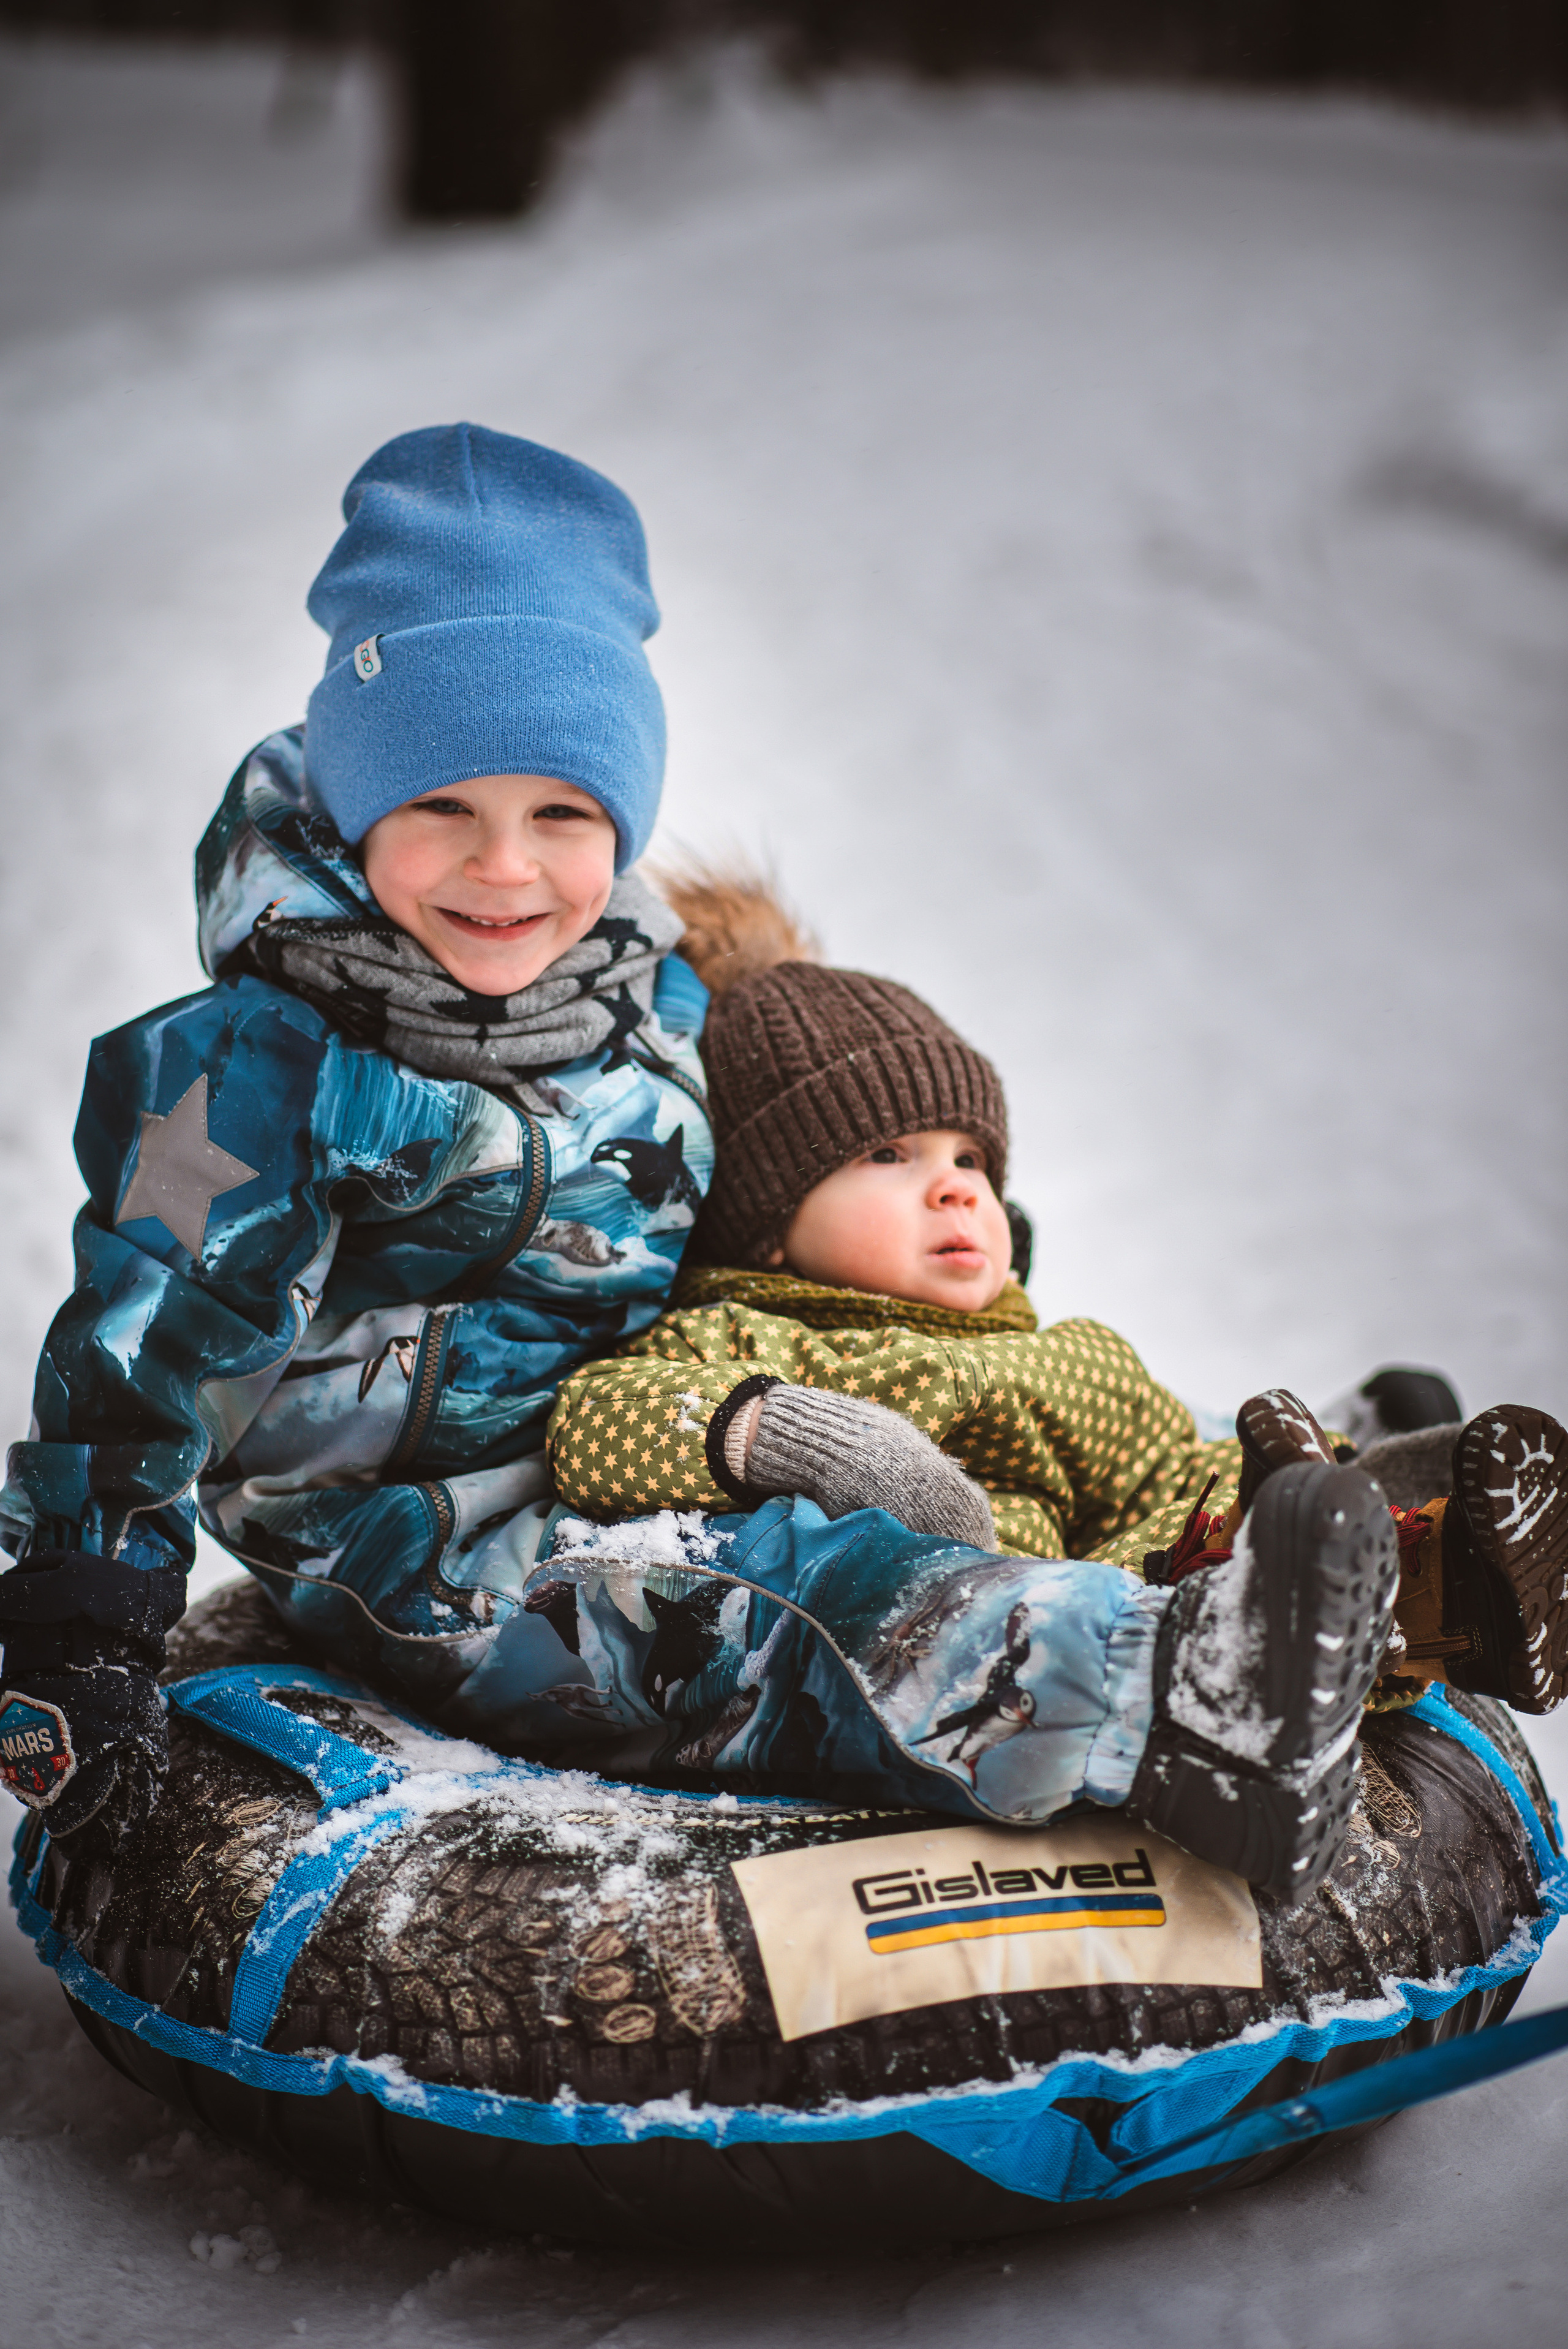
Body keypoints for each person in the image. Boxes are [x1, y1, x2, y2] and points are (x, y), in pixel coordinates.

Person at [530, 895, 1567, 1894]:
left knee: (1223, 1527)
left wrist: (1273, 1495)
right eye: (888, 1155)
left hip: (1115, 1590)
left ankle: (1436, 1578)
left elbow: (1167, 1473)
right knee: (1074, 1605)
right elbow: (598, 1417)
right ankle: (1257, 1659)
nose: (955, 1187)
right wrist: (807, 1439)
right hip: (925, 1637)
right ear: (769, 1225)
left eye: (971, 1157)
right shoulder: (750, 1329)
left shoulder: (1070, 1359)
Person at [0, 423, 714, 1857]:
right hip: (413, 1545)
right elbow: (148, 1335)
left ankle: (1204, 1581)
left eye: (562, 813)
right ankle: (1151, 1701)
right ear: (348, 801)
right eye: (438, 805)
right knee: (762, 1617)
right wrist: (82, 1617)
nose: (503, 867)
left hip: (649, 1450)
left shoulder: (651, 998)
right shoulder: (272, 1057)